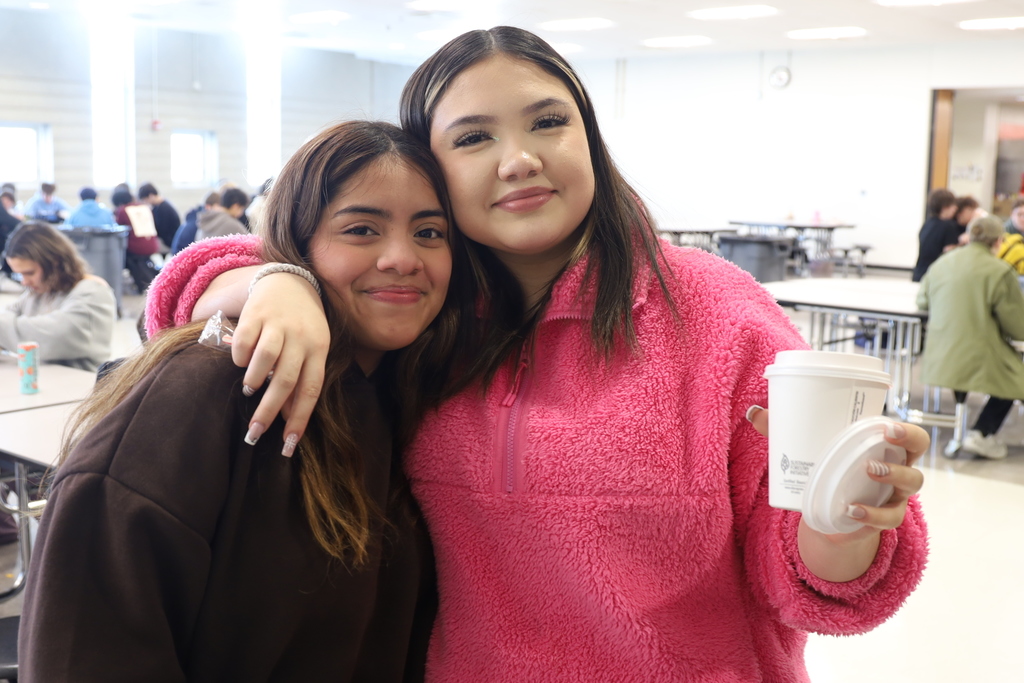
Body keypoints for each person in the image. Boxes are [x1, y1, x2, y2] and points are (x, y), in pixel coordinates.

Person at [146, 27, 928, 681]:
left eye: (547, 122)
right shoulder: (422, 305)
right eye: (474, 137)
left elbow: (812, 581)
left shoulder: (714, 312)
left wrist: (845, 519)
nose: (517, 159)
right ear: (431, 170)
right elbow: (185, 292)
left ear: (589, 137)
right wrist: (277, 283)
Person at [19, 120, 460, 681]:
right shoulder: (207, 391)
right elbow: (86, 645)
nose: (403, 257)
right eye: (361, 230)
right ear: (295, 244)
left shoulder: (426, 403)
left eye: (429, 233)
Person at [918, 215, 1024, 459]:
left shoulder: (943, 263)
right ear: (998, 241)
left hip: (938, 355)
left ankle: (978, 432)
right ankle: (982, 433)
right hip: (978, 356)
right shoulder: (999, 271)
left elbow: (922, 300)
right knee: (1017, 378)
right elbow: (1018, 327)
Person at [0, 221, 115, 371]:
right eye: (20, 274)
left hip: (81, 387)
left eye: (29, 273)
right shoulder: (40, 290)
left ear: (54, 263)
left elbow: (55, 335)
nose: (24, 282)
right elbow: (9, 315)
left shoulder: (93, 292)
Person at [112, 188, 160, 293]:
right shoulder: (144, 207)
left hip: (137, 247)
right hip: (152, 244)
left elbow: (118, 229)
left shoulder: (123, 210)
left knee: (123, 256)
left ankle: (141, 284)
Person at [911, 188, 959, 282]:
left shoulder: (927, 224)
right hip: (936, 276)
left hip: (919, 273)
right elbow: (950, 252)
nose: (955, 208)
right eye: (953, 205)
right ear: (945, 207)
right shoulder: (948, 226)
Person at [171, 191, 219, 255]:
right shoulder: (198, 222)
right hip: (182, 257)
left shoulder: (194, 217)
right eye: (219, 207)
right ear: (208, 207)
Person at [138, 182, 182, 250]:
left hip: (170, 241)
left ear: (151, 196)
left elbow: (160, 230)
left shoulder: (164, 208)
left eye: (145, 200)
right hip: (168, 239)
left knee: (144, 247)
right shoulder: (159, 206)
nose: (145, 203)